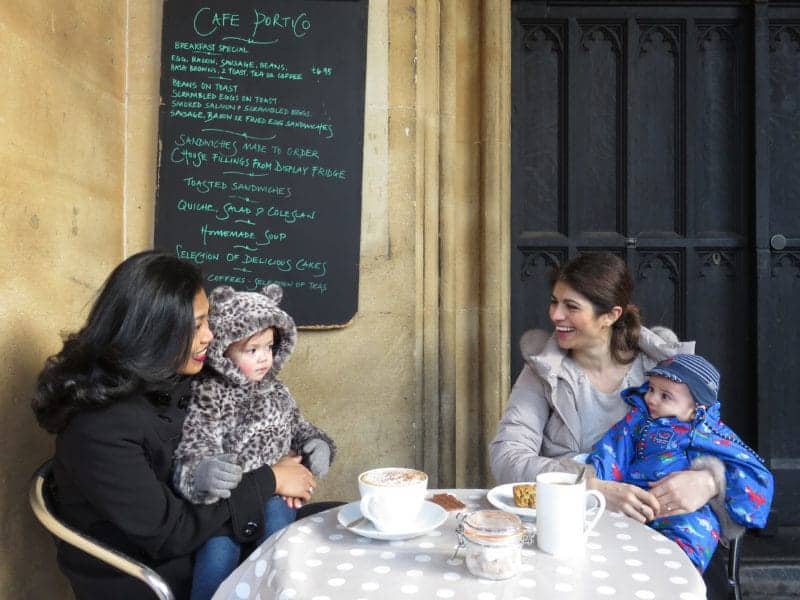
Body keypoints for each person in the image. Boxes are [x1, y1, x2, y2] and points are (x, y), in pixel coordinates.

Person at [31, 250, 317, 599]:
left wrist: (293, 452)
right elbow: (169, 532)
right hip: (166, 576)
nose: (210, 336)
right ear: (152, 333)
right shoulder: (97, 428)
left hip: (217, 536)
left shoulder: (168, 378)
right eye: (196, 325)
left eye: (207, 321)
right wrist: (271, 478)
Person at [489, 252, 727, 525]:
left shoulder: (666, 369)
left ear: (611, 315)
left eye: (571, 306)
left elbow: (723, 447)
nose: (556, 314)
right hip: (569, 521)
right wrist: (589, 487)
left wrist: (708, 481)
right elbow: (506, 457)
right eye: (554, 302)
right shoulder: (542, 371)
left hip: (659, 524)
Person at [172, 284, 336, 600]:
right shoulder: (208, 394)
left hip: (275, 496)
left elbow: (299, 428)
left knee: (280, 544)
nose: (264, 358)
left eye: (269, 347)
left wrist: (316, 445)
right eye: (252, 350)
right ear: (223, 350)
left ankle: (279, 593)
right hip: (226, 504)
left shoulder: (277, 393)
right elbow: (196, 441)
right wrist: (202, 472)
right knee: (217, 556)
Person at [586, 353, 773, 571]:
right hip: (635, 503)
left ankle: (677, 572)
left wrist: (714, 483)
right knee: (603, 540)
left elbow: (757, 477)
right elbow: (612, 451)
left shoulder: (710, 434)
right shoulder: (636, 421)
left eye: (665, 396)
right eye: (651, 389)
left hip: (685, 513)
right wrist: (600, 483)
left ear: (695, 408)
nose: (651, 399)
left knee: (695, 532)